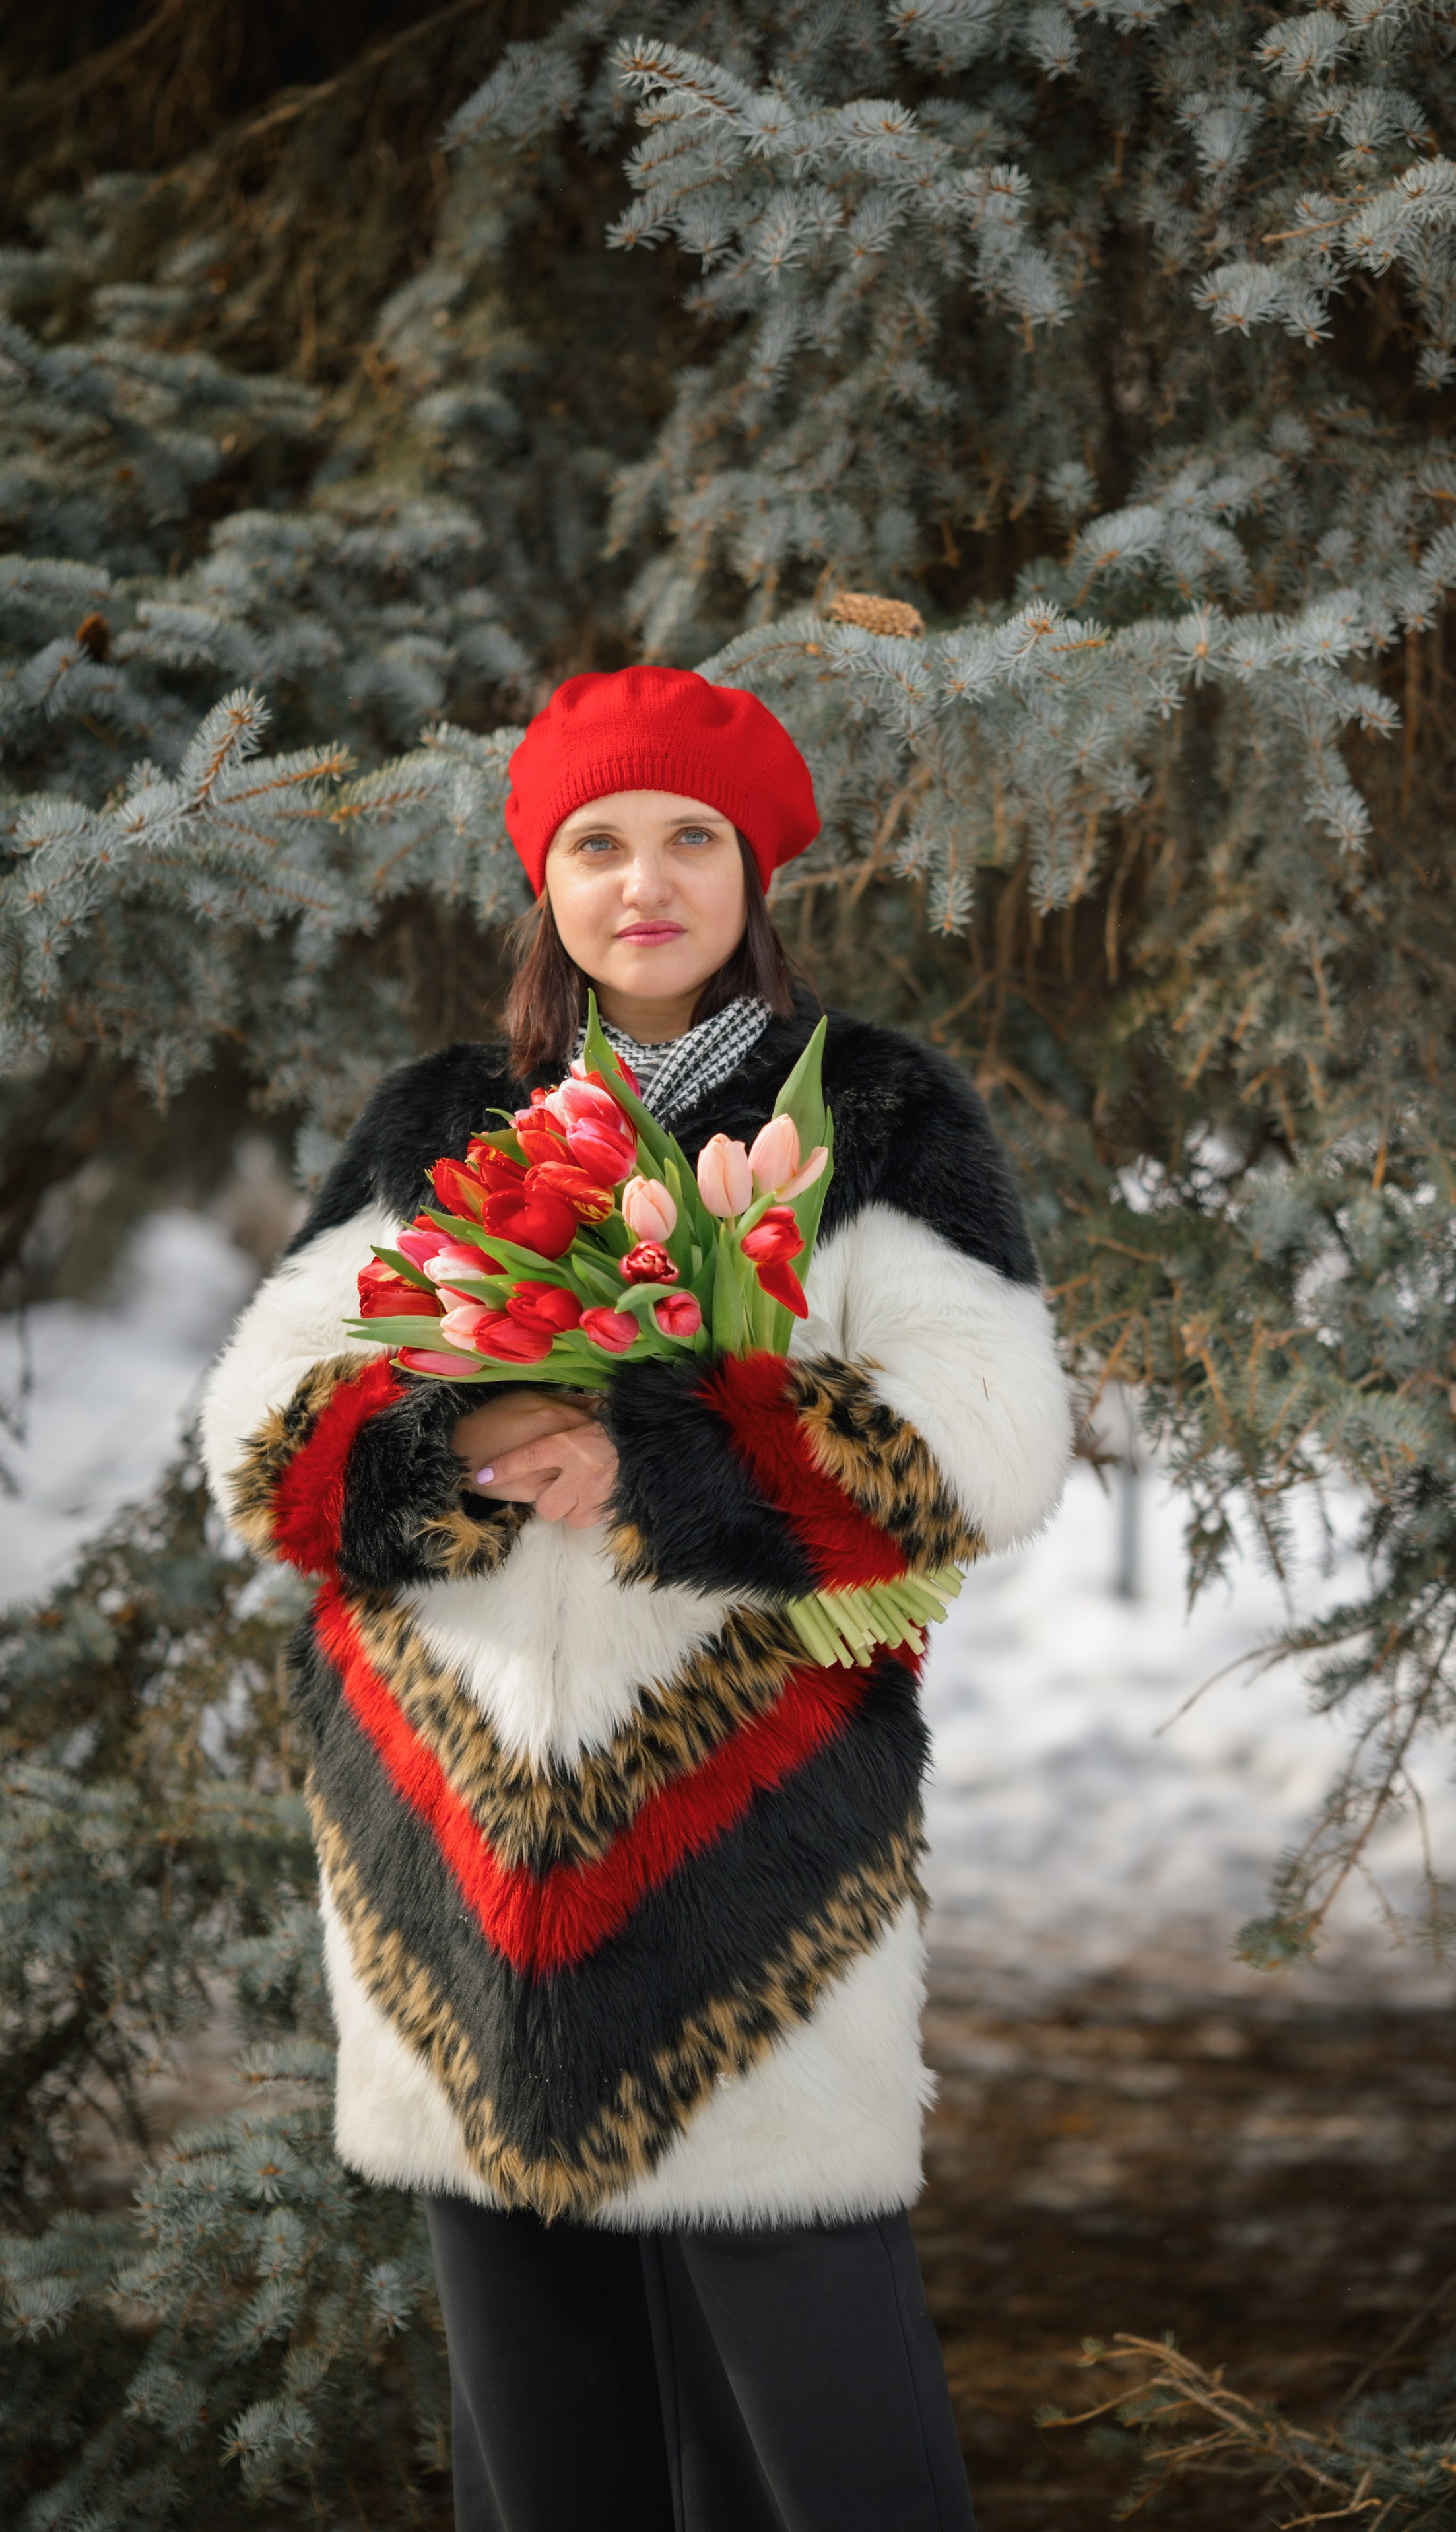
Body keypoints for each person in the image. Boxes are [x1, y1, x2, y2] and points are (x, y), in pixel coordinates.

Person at [200, 664, 1072, 2532]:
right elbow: (261, 1437)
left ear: (758, 873)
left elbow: (986, 1443)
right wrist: (455, 1435)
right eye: (599, 841)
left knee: (830, 2450)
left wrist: (661, 1450)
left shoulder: (879, 1114)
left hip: (752, 1875)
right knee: (545, 2454)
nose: (646, 879)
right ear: (547, 880)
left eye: (694, 838)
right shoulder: (439, 1117)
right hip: (451, 1886)